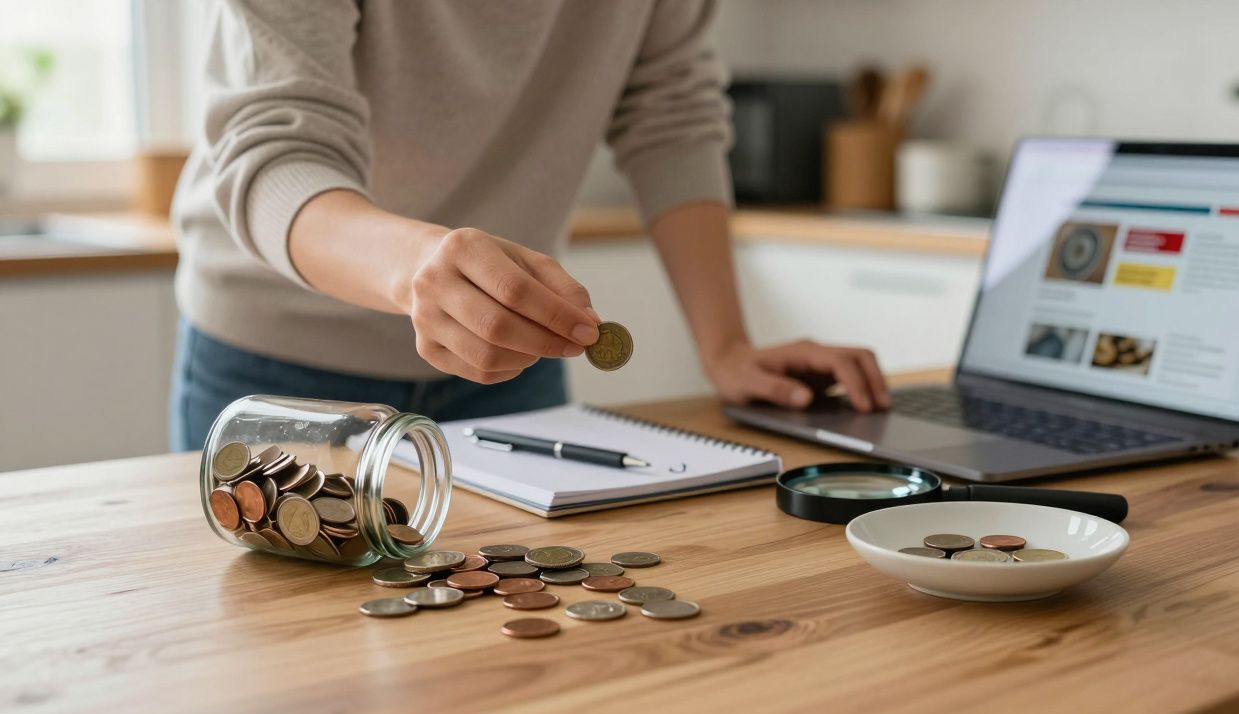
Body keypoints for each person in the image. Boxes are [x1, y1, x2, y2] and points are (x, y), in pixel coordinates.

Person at [169, 0, 889, 451]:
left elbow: (672, 114)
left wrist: (728, 346)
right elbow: (275, 155)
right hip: (281, 362)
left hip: (507, 364)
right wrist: (418, 266)